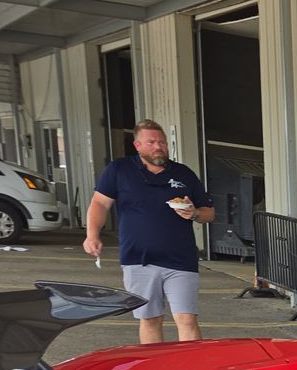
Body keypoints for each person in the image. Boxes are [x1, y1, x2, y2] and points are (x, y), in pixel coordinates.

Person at [83, 119, 216, 345]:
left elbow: (209, 213)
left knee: (187, 319)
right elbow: (100, 203)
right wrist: (92, 234)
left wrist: (194, 213)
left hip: (180, 260)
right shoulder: (120, 169)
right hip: (138, 260)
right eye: (151, 142)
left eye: (162, 142)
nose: (158, 147)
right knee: (150, 319)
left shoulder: (183, 173)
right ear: (137, 145)